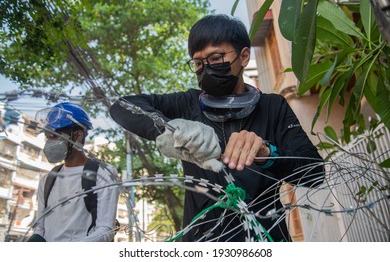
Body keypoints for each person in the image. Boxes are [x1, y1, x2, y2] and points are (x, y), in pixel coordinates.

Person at [109, 14, 324, 242]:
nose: (207, 68)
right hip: (202, 238)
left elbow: (315, 173)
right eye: (199, 63)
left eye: (216, 57)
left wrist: (267, 153)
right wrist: (169, 129)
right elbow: (122, 106)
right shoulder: (188, 104)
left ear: (243, 56)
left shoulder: (273, 107)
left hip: (266, 236)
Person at [28, 102, 119, 242]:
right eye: (48, 137)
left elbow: (106, 230)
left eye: (55, 136)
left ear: (77, 136)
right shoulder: (47, 180)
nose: (49, 142)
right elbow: (40, 227)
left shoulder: (104, 173)